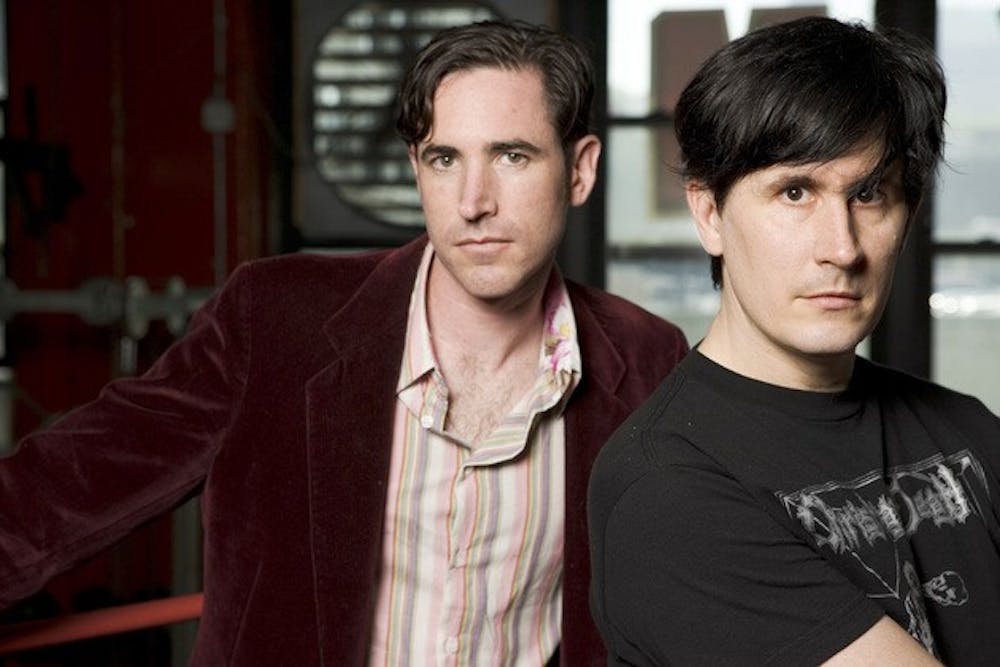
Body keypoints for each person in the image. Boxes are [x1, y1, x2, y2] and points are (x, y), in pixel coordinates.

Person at [0, 19, 687, 667]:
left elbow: (686, 586)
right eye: (445, 159)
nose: (474, 201)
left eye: (512, 155)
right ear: (417, 169)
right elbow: (68, 482)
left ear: (579, 170)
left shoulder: (645, 359)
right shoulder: (275, 319)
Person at [588, 15, 1000, 666]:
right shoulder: (666, 491)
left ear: (909, 213)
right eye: (795, 191)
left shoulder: (968, 429)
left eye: (869, 193)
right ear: (709, 212)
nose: (842, 248)